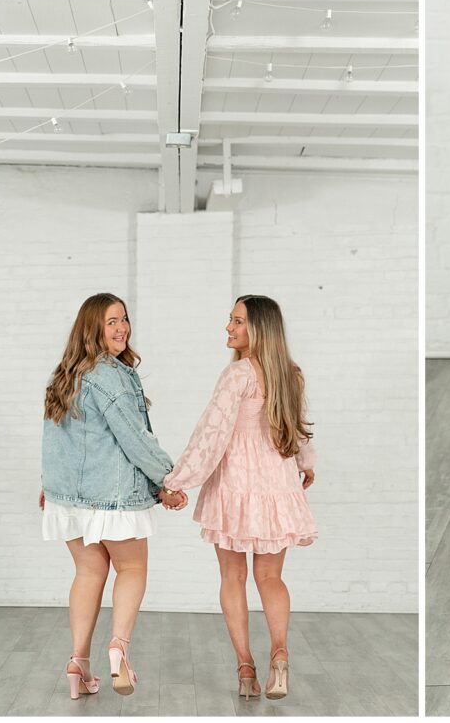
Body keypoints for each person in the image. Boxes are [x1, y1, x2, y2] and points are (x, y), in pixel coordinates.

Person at [162, 294, 317, 701]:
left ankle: (246, 668)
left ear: (258, 329)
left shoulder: (238, 376)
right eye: (229, 320)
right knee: (271, 578)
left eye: (237, 322)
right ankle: (279, 656)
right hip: (276, 485)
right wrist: (305, 462)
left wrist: (179, 480)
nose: (229, 328)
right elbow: (297, 426)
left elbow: (211, 436)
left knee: (233, 577)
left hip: (235, 486)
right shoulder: (290, 374)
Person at [40, 292, 188, 699]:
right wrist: (167, 481)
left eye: (124, 319)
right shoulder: (111, 376)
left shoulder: (64, 373)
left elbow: (55, 438)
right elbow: (135, 440)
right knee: (132, 570)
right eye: (111, 322)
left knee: (88, 573)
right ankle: (119, 649)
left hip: (69, 500)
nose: (122, 328)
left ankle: (78, 665)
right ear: (92, 328)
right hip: (112, 497)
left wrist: (49, 485)